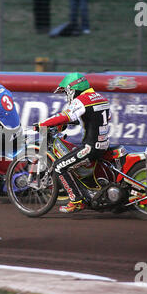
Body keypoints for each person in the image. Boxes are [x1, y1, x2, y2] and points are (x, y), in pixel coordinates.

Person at [36, 73, 110, 213]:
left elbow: (64, 115)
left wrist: (42, 124)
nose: (66, 96)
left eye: (66, 92)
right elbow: (95, 117)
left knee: (59, 166)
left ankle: (76, 200)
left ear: (72, 89)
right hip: (104, 144)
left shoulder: (82, 100)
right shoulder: (101, 98)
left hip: (91, 148)